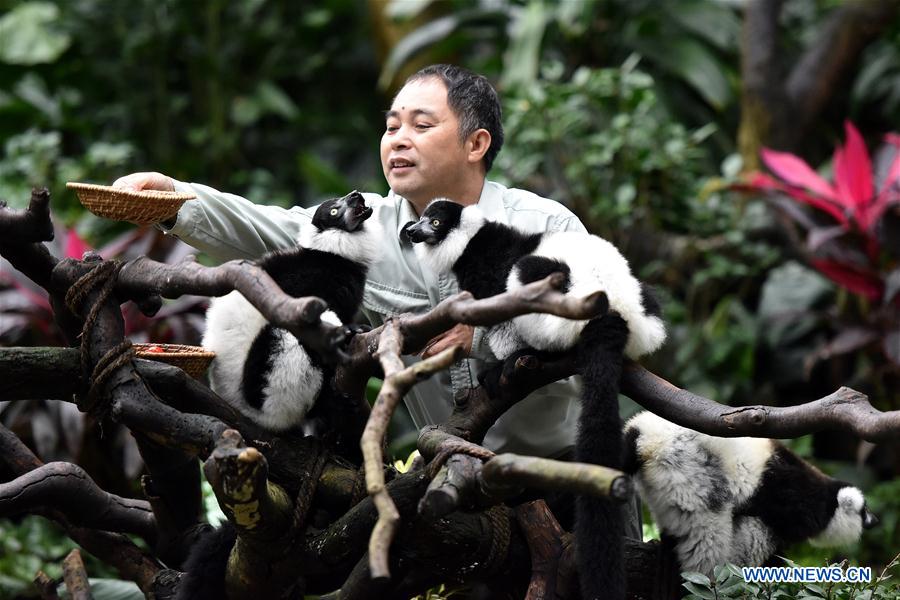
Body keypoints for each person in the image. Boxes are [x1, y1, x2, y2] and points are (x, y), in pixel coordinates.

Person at [114, 64, 638, 534]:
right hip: (454, 488)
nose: (398, 140)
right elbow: (267, 227)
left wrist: (486, 334)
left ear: (476, 144)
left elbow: (598, 342)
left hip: (570, 475)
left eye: (421, 125)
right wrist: (174, 198)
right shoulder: (369, 228)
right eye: (391, 127)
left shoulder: (543, 225)